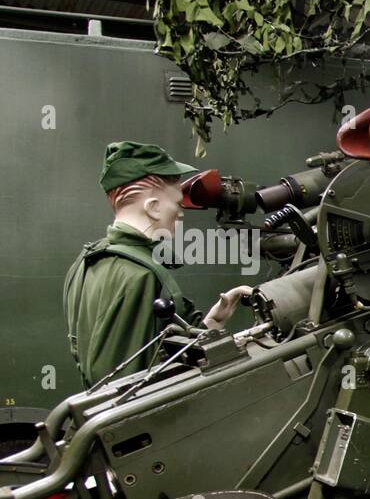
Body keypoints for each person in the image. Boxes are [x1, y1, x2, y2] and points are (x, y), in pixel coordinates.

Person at [63, 141, 252, 388]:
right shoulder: (139, 275)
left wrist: (211, 324)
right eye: (176, 202)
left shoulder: (85, 263)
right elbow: (130, 381)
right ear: (153, 208)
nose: (181, 212)